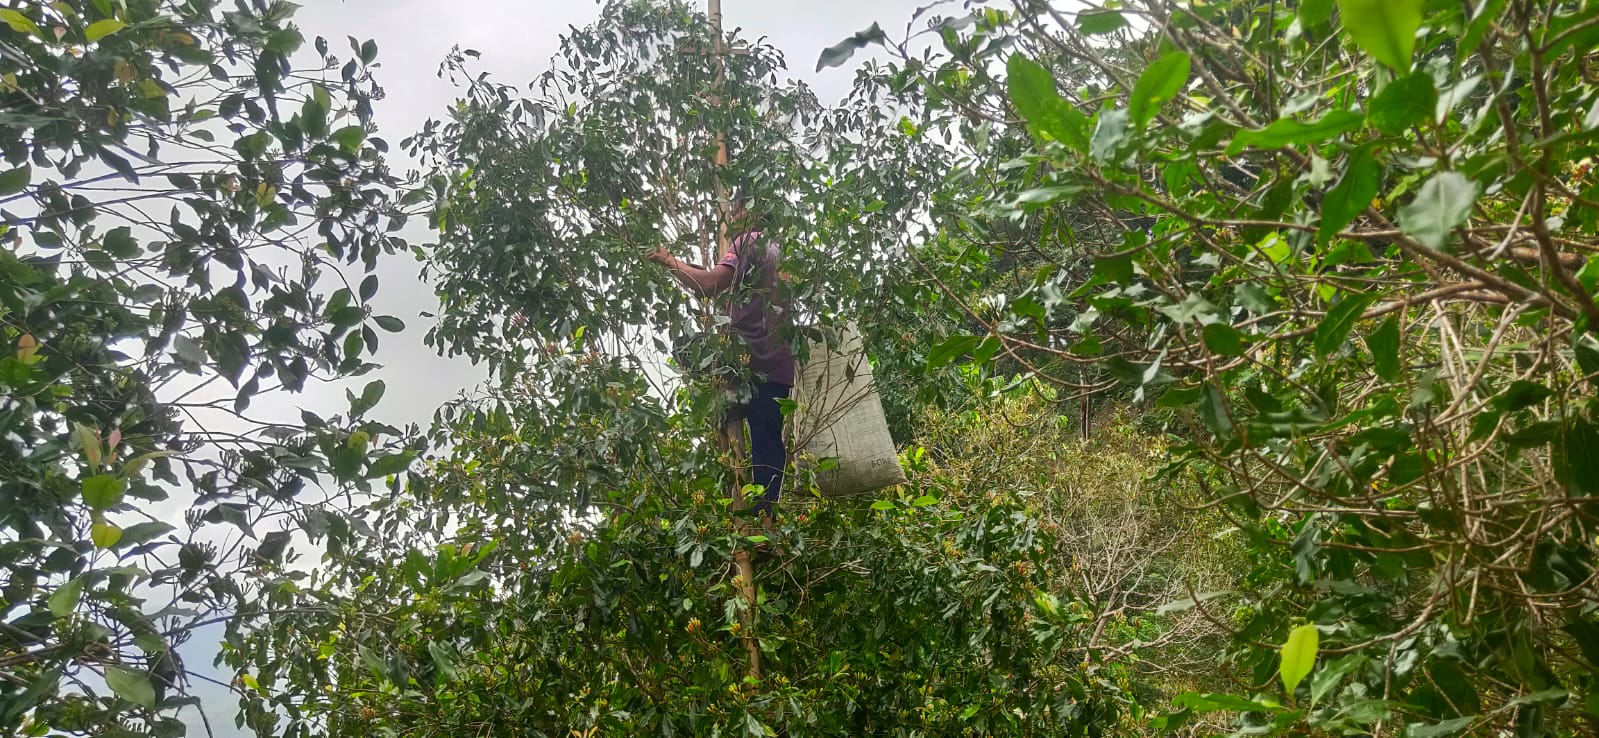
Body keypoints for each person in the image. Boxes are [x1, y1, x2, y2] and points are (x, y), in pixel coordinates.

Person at [648, 195, 794, 520]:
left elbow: (709, 285)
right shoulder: (783, 253)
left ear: (750, 214)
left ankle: (726, 394)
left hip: (744, 366)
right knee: (768, 448)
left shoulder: (747, 243)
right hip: (779, 367)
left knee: (684, 345)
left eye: (737, 212)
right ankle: (765, 521)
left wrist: (670, 261)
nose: (732, 219)